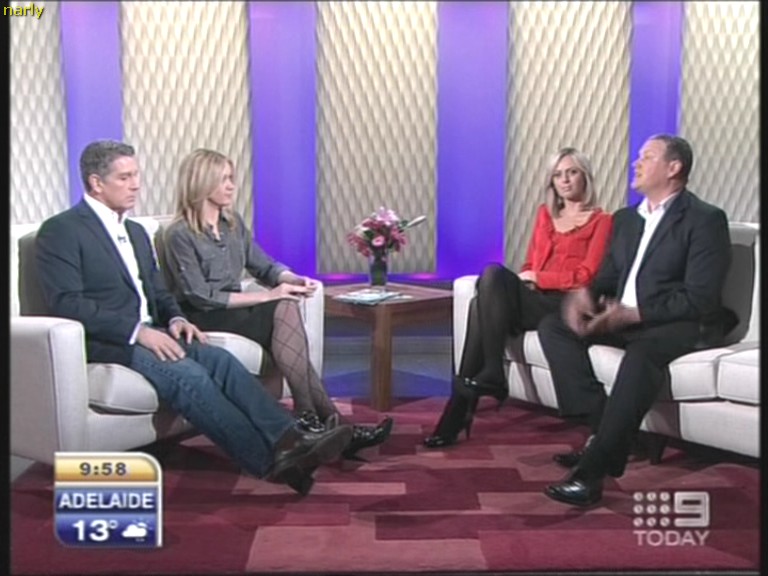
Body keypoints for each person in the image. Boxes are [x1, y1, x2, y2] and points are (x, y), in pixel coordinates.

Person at [35, 140, 354, 496]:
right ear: (96, 183)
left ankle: (289, 439)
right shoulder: (62, 230)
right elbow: (67, 303)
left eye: (136, 175)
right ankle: (269, 462)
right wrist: (138, 332)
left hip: (156, 330)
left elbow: (158, 292)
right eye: (125, 178)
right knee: (191, 376)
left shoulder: (136, 232)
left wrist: (175, 319)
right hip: (111, 341)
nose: (136, 184)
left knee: (222, 362)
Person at [538, 134, 732, 507]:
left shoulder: (705, 219)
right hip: (623, 319)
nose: (636, 163)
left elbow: (701, 297)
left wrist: (636, 313)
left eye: (647, 157)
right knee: (555, 326)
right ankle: (602, 428)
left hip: (673, 323)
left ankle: (591, 475)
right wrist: (586, 295)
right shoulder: (627, 219)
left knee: (641, 358)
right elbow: (610, 276)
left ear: (674, 167)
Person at [162, 148, 392, 460]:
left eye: (231, 178)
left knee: (286, 306)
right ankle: (321, 421)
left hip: (237, 311)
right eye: (223, 179)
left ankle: (319, 421)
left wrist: (292, 279)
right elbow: (200, 295)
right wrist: (268, 295)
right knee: (281, 305)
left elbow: (264, 266)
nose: (231, 185)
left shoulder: (232, 224)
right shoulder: (179, 234)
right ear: (202, 183)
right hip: (203, 316)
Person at [423, 147, 613, 448]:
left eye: (572, 172)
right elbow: (530, 263)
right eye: (558, 175)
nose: (565, 180)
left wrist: (539, 278)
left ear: (585, 177)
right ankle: (489, 378)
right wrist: (528, 279)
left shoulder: (602, 221)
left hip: (566, 305)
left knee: (486, 291)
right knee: (486, 290)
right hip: (536, 298)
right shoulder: (545, 215)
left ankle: (460, 410)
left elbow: (587, 276)